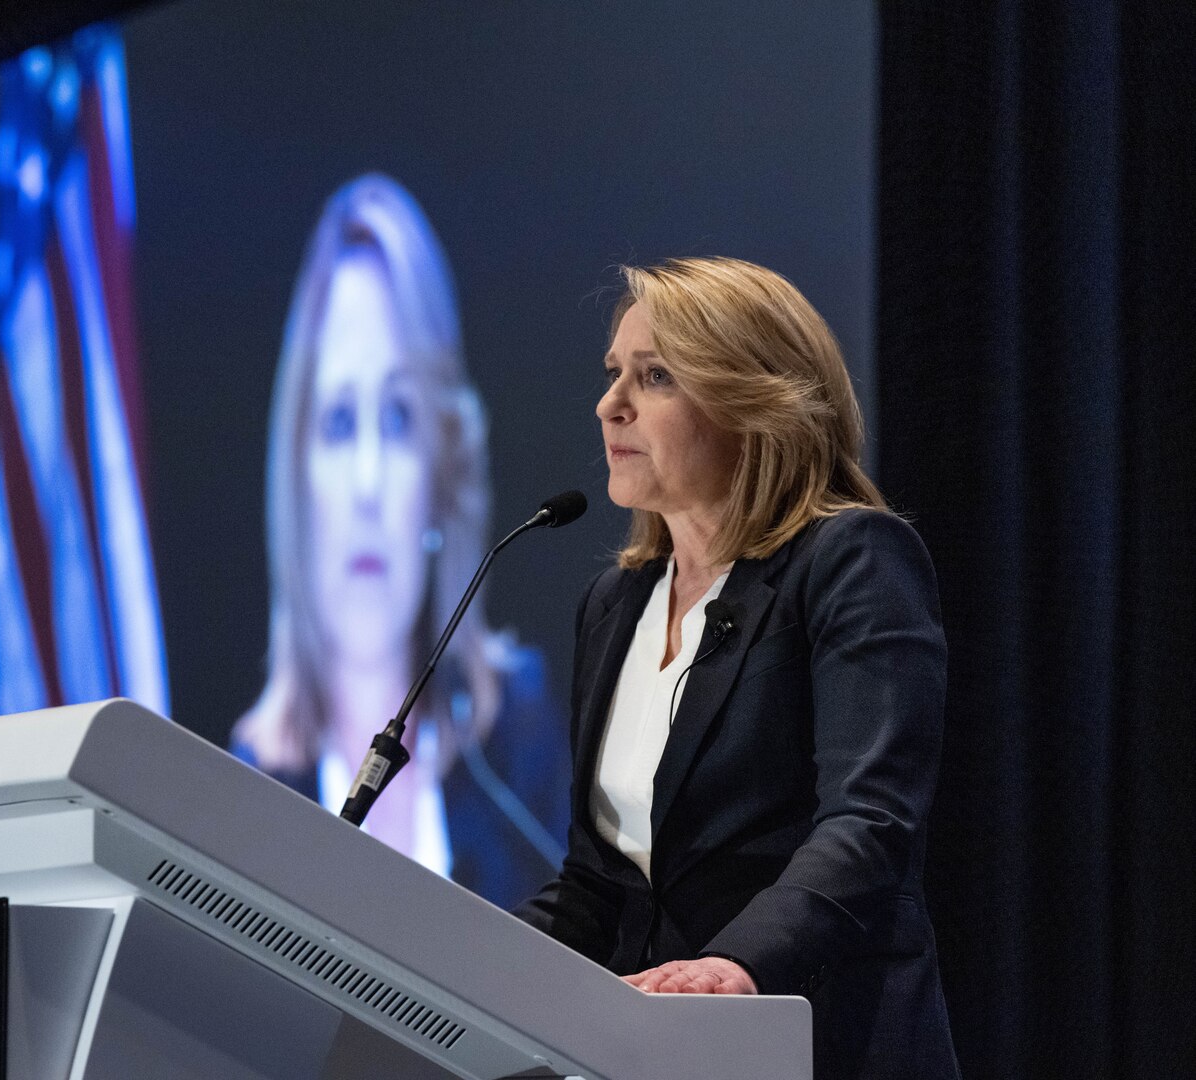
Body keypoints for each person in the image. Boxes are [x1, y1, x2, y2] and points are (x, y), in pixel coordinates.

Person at [513, 257, 959, 1079]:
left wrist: (739, 964)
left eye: (655, 378)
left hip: (823, 1039)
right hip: (653, 1049)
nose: (610, 405)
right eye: (615, 374)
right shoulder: (615, 605)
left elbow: (869, 824)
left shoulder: (852, 562)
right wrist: (464, 961)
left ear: (754, 404)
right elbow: (597, 883)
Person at [231, 174, 569, 910]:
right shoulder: (243, 792)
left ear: (442, 474)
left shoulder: (523, 743)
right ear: (297, 479)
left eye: (399, 421)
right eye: (340, 424)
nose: (367, 483)